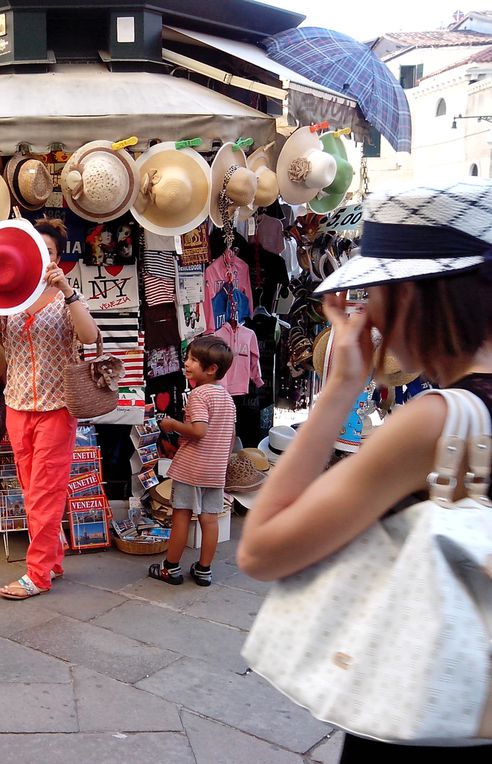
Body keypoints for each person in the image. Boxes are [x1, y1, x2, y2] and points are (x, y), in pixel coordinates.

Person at [237, 179, 492, 761]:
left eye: (378, 293)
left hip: (429, 714)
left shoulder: (437, 422)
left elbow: (263, 549)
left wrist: (341, 387)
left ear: (416, 297)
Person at [0, 217, 99, 599]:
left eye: (51, 253)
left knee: (45, 492)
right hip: (17, 406)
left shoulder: (66, 299)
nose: (46, 259)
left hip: (56, 408)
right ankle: (52, 560)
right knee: (33, 488)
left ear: (58, 259)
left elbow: (90, 336)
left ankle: (37, 574)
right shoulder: (8, 303)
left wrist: (68, 291)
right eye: (40, 252)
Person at [149, 336, 235, 587]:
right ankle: (204, 570)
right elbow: (229, 436)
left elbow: (199, 431)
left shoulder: (199, 395)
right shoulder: (227, 398)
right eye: (187, 358)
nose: (186, 363)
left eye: (193, 360)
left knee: (181, 516)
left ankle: (170, 568)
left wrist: (172, 424)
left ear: (211, 369)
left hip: (192, 468)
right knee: (210, 518)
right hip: (215, 469)